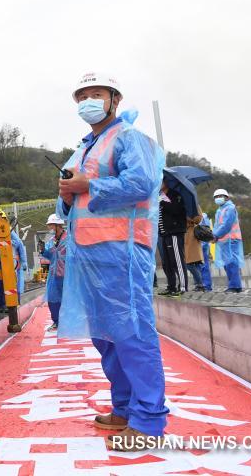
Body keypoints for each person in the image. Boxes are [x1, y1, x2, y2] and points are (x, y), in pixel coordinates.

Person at [55, 72, 168, 451]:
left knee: (133, 332)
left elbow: (142, 184)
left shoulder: (129, 139)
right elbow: (67, 202)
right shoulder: (83, 149)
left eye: (96, 93)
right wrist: (67, 197)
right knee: (106, 335)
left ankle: (149, 419)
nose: (89, 100)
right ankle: (124, 407)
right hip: (88, 254)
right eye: (82, 95)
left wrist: (89, 187)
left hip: (122, 249)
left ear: (114, 99)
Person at [157, 182, 188, 296]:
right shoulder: (159, 196)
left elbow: (176, 210)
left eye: (161, 181)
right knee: (167, 263)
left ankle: (183, 287)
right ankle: (171, 287)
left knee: (177, 261)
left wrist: (164, 201)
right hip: (164, 233)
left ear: (166, 182)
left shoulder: (175, 195)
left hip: (174, 232)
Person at [212, 189, 244, 292]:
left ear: (227, 197)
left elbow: (226, 225)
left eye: (220, 196)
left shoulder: (230, 208)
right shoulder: (219, 210)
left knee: (232, 262)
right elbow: (218, 225)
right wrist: (214, 236)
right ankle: (233, 285)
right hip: (223, 240)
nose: (218, 198)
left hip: (232, 239)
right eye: (216, 197)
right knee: (227, 263)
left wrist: (215, 235)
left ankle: (235, 286)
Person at [41, 214, 67, 331]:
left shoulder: (69, 239)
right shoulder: (51, 241)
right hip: (54, 275)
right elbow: (50, 256)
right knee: (52, 298)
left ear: (58, 226)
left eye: (51, 225)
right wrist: (43, 250)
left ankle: (69, 322)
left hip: (67, 275)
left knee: (68, 299)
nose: (49, 228)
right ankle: (57, 322)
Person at [185, 211, 206, 291]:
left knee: (189, 263)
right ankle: (198, 284)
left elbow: (198, 218)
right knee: (194, 262)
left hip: (192, 236)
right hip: (186, 235)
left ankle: (200, 284)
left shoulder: (194, 204)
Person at [198, 213, 213, 290]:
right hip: (204, 244)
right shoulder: (204, 217)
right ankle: (205, 285)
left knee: (203, 266)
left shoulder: (200, 217)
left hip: (202, 245)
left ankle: (206, 285)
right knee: (203, 266)